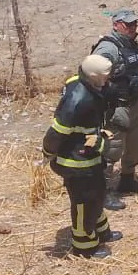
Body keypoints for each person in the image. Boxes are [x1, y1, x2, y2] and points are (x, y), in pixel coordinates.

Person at [42, 54, 122, 258]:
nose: (109, 78)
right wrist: (48, 152)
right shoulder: (76, 100)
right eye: (106, 75)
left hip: (90, 156)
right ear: (95, 77)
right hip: (76, 162)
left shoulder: (91, 86)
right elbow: (57, 132)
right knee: (84, 203)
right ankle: (84, 246)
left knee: (96, 195)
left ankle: (101, 232)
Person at [92, 8, 138, 208]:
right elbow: (92, 74)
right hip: (116, 107)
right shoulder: (108, 48)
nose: (133, 27)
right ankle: (103, 191)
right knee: (112, 149)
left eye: (135, 23)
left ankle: (127, 179)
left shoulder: (131, 45)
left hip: (135, 103)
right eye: (128, 24)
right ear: (116, 25)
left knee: (136, 145)